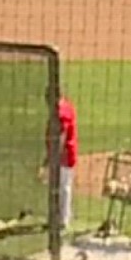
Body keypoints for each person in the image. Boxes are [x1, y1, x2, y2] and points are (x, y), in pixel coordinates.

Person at [53, 96, 78, 233]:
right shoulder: (66, 106)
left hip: (65, 155)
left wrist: (55, 156)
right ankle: (62, 215)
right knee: (61, 186)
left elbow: (61, 136)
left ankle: (64, 219)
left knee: (64, 187)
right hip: (64, 154)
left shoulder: (62, 112)